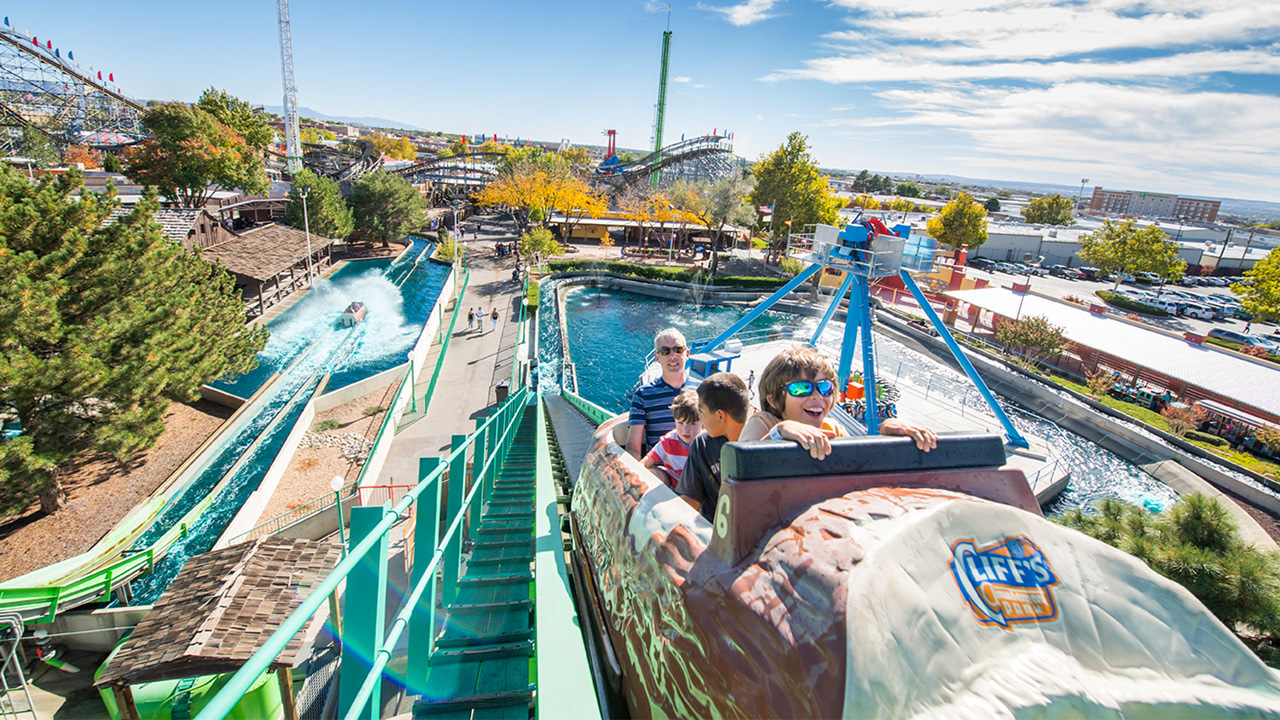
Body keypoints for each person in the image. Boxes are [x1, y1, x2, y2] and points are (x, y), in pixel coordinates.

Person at [738, 345, 937, 459]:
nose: (817, 396)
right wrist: (780, 432)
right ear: (773, 399)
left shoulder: (833, 429)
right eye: (801, 388)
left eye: (825, 388)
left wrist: (888, 435)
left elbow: (861, 461)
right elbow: (740, 465)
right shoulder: (765, 423)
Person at [675, 372, 750, 522]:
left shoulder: (760, 442)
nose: (700, 418)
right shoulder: (702, 444)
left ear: (720, 416)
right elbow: (690, 500)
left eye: (701, 412)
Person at [627, 328, 696, 459]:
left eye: (678, 349)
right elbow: (633, 448)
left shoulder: (703, 390)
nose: (672, 355)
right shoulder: (643, 395)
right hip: (660, 470)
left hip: (696, 466)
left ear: (687, 354)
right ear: (657, 357)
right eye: (665, 351)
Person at [641, 390, 701, 488]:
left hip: (695, 491)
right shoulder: (668, 441)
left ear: (703, 423)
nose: (685, 430)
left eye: (692, 424)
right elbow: (645, 463)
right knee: (653, 472)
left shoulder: (706, 443)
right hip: (671, 487)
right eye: (680, 423)